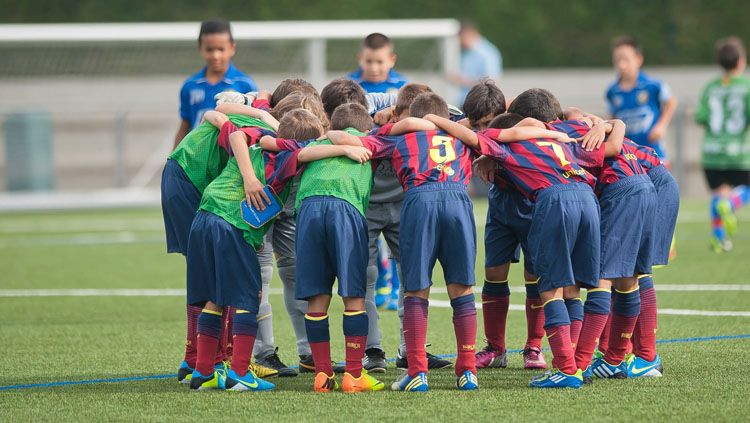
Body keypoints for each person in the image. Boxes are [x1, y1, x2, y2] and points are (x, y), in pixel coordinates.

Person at [274, 104, 385, 392]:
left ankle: (322, 375)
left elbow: (279, 145)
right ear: (366, 129)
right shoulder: (370, 141)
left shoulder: (314, 143)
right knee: (353, 296)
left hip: (308, 211)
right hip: (345, 209)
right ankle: (354, 375)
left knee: (317, 296)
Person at [695, 36, 750, 253]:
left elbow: (700, 116)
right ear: (740, 61)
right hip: (738, 153)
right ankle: (731, 204)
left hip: (711, 152)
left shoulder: (711, 87)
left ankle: (718, 239)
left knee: (719, 193)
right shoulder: (746, 86)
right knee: (738, 193)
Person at [174, 19, 257, 149]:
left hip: (229, 156)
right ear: (200, 48)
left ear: (232, 48)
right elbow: (184, 126)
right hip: (197, 155)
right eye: (209, 49)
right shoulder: (190, 86)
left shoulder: (245, 85)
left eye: (221, 49)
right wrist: (172, 160)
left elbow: (254, 127)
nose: (215, 55)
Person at [606, 36, 677, 159]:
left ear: (638, 59)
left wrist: (661, 126)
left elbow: (671, 102)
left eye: (626, 59)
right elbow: (612, 117)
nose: (621, 65)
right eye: (617, 60)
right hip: (628, 156)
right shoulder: (612, 91)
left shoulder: (653, 85)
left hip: (654, 153)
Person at [451, 20, 502, 104]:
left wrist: (462, 80)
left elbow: (491, 82)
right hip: (465, 102)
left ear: (470, 34)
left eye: (461, 38)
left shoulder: (487, 53)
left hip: (481, 104)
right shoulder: (465, 52)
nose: (459, 42)